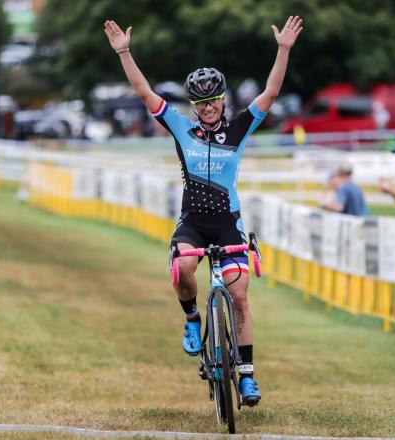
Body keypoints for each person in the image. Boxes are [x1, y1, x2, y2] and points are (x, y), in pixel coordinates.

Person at [103, 15, 303, 406]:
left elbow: (272, 92)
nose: (209, 107)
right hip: (193, 222)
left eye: (214, 100)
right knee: (182, 270)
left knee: (240, 295)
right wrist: (125, 53)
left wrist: (283, 50)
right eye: (201, 102)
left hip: (229, 222)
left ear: (223, 100)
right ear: (193, 106)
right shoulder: (183, 129)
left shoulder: (239, 129)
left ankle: (246, 374)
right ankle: (193, 318)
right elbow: (145, 94)